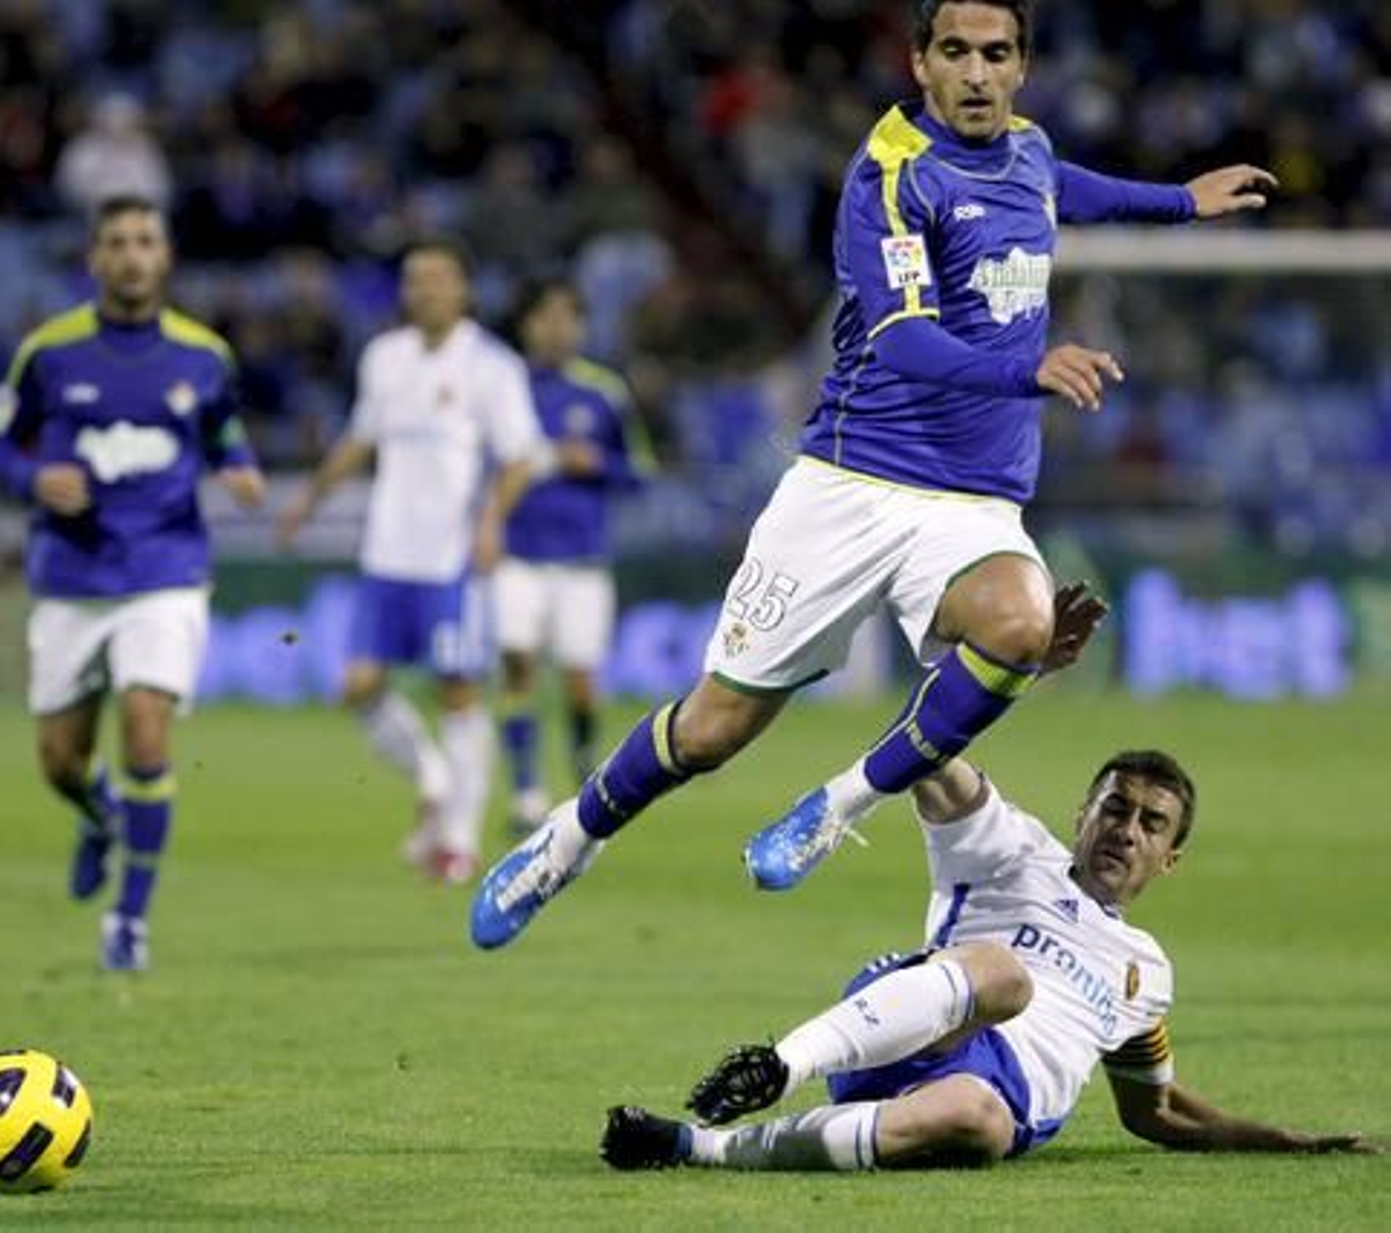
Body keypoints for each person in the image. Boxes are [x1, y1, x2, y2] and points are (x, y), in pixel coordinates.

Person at [469, 0, 1279, 950]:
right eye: (956, 53)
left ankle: (836, 805)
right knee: (713, 728)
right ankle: (564, 842)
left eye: (997, 54)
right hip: (855, 482)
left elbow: (1064, 186)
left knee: (1022, 622)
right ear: (919, 63)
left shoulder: (1025, 149)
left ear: (1021, 66)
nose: (977, 74)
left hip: (975, 499)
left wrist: (1181, 199)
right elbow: (905, 343)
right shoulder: (888, 178)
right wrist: (1032, 368)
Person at [598, 593, 1377, 1170]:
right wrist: (1020, 671)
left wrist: (1290, 1141)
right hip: (913, 1024)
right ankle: (779, 1065)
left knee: (983, 1122)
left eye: (1150, 823)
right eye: (1115, 807)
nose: (1125, 830)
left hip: (981, 1098)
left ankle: (698, 1146)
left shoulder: (1149, 973)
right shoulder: (1012, 848)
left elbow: (1159, 1110)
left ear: (1170, 857)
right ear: (1084, 812)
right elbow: (920, 749)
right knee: (1007, 975)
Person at [0, 194, 266, 972]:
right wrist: (35, 477)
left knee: (146, 725)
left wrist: (238, 466)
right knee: (60, 762)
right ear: (95, 259)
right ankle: (100, 815)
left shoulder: (204, 354)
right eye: (117, 242)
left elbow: (223, 429)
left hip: (166, 569)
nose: (133, 254)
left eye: (146, 239)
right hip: (71, 575)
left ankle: (129, 919)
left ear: (165, 255)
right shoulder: (49, 351)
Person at [275, 239, 540, 885]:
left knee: (458, 692)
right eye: (415, 280)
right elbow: (359, 440)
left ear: (464, 290)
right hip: (387, 554)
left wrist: (489, 521)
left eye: (439, 279)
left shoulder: (490, 365)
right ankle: (432, 777)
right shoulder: (384, 357)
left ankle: (459, 840)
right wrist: (307, 500)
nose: (425, 290)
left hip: (451, 561)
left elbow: (521, 457)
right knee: (359, 686)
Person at [495, 278, 651, 835]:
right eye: (546, 315)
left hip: (583, 559)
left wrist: (598, 464)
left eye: (567, 316)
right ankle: (525, 791)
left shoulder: (603, 392)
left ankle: (586, 776)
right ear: (527, 324)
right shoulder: (504, 388)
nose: (557, 326)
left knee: (580, 679)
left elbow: (641, 472)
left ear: (581, 326)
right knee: (517, 663)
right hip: (515, 553)